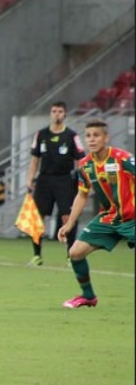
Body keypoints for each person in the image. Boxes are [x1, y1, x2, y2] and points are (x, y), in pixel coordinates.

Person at [56, 119, 134, 308]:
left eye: (96, 135)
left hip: (132, 217)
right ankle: (88, 296)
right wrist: (70, 223)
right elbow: (82, 195)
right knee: (75, 253)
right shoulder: (85, 164)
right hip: (109, 218)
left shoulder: (122, 158)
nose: (91, 139)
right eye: (88, 136)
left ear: (106, 138)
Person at [24, 101, 86, 266]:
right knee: (38, 218)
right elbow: (34, 159)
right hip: (44, 179)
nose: (56, 114)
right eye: (54, 111)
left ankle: (70, 255)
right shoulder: (41, 135)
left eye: (60, 111)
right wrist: (29, 178)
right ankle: (37, 255)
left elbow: (81, 159)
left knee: (67, 217)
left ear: (64, 114)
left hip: (64, 180)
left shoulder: (72, 136)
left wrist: (83, 179)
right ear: (50, 114)